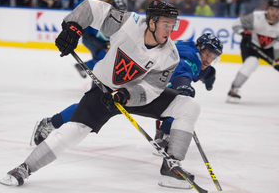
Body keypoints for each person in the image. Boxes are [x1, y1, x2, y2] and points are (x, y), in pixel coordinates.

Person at [0, 0, 201, 190]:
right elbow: (92, 9)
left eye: (173, 25)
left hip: (133, 95)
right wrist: (73, 27)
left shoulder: (170, 55)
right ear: (151, 22)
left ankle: (171, 167)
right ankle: (24, 169)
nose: (170, 30)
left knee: (189, 106)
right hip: (104, 89)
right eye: (166, 24)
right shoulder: (129, 23)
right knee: (72, 132)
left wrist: (126, 95)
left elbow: (152, 89)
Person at [32, 33, 223, 158]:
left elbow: (197, 69)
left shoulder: (190, 49)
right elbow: (184, 70)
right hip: (130, 87)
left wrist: (209, 74)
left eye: (213, 58)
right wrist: (184, 85)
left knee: (177, 103)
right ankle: (50, 124)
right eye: (207, 54)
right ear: (199, 48)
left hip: (141, 86)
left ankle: (164, 132)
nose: (209, 60)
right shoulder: (191, 56)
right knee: (92, 110)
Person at [227, 0, 279, 103]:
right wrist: (243, 32)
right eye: (272, 9)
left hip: (269, 48)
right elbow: (235, 24)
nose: (274, 12)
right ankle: (234, 89)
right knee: (252, 63)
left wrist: (277, 59)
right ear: (267, 9)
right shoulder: (256, 17)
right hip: (250, 45)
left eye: (277, 10)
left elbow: (278, 44)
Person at [74, 0, 127, 78]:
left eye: (122, 11)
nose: (121, 14)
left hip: (100, 40)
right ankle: (86, 69)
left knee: (105, 59)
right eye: (118, 11)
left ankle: (82, 67)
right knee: (103, 57)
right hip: (90, 38)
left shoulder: (120, 21)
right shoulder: (102, 14)